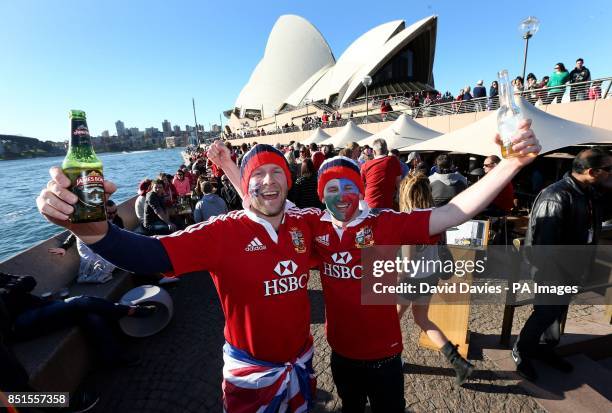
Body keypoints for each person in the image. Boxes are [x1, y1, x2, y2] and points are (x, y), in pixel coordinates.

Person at [209, 119, 541, 412]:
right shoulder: (314, 225)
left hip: (385, 357)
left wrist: (510, 166)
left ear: (361, 191)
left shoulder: (383, 223)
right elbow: (261, 199)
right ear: (323, 196)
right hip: (340, 354)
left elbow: (453, 213)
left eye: (349, 187)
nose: (342, 197)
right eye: (333, 189)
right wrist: (228, 166)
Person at [37, 144, 318, 412]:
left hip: (303, 362)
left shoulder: (306, 223)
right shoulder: (223, 232)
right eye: (258, 173)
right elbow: (152, 254)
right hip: (252, 376)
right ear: (246, 183)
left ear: (288, 180)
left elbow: (360, 237)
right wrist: (96, 233)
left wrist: (366, 300)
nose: (268, 180)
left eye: (277, 171)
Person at [513, 148, 612, 382]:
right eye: (608, 169)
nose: (611, 173)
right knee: (546, 312)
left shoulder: (588, 191)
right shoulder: (556, 196)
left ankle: (546, 349)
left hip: (573, 267)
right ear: (592, 171)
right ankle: (522, 350)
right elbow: (543, 245)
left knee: (557, 312)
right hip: (553, 270)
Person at [397, 173, 474, 385]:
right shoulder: (437, 216)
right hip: (430, 276)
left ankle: (392, 359)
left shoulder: (408, 219)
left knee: (391, 322)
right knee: (422, 319)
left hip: (411, 279)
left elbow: (407, 260)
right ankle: (459, 362)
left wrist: (397, 278)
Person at [48, 200, 125, 284]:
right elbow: (75, 234)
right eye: (109, 213)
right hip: (90, 248)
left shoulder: (117, 219)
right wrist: (64, 247)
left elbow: (120, 236)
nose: (113, 215)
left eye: (114, 212)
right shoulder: (90, 220)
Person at [360, 139, 402, 209]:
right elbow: (399, 184)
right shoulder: (393, 161)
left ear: (373, 152)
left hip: (369, 205)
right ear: (387, 151)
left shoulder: (365, 165)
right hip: (386, 205)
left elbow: (361, 186)